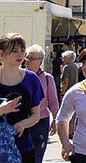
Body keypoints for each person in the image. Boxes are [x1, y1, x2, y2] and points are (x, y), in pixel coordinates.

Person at [0, 34, 43, 163]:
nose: (20, 54)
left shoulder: (31, 79)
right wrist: (2, 110)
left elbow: (36, 115)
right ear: (1, 54)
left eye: (22, 50)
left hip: (23, 148)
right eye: (14, 51)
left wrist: (22, 124)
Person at [25, 44, 59, 163]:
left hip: (41, 121)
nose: (27, 60)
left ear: (40, 61)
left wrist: (55, 120)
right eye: (27, 57)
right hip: (23, 120)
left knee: (37, 155)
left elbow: (53, 102)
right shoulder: (20, 76)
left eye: (31, 58)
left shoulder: (47, 78)